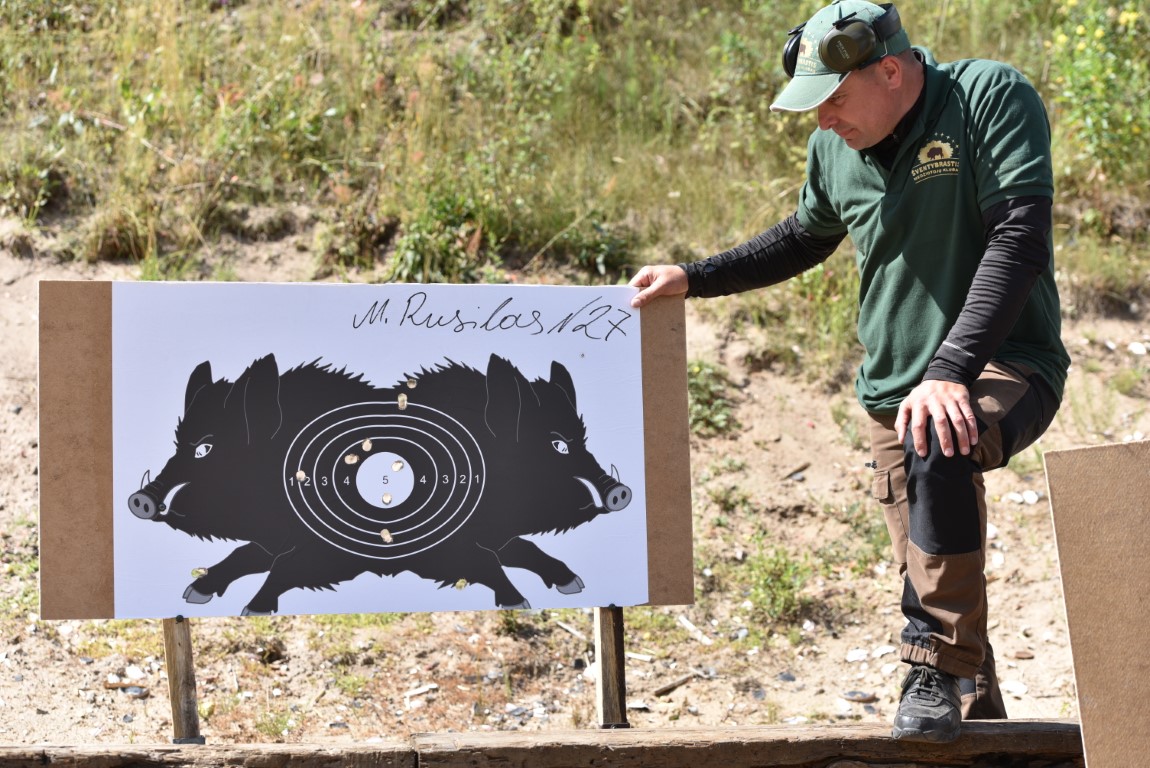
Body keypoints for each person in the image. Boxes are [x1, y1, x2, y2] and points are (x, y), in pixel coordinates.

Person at [629, 0, 1070, 744]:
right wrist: (693, 277)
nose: (822, 119)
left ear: (890, 72)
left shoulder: (987, 96)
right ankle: (982, 732)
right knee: (938, 588)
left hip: (1005, 363)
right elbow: (802, 238)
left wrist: (950, 371)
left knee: (940, 459)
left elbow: (1019, 238)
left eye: (832, 99)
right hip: (895, 395)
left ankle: (929, 669)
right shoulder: (833, 150)